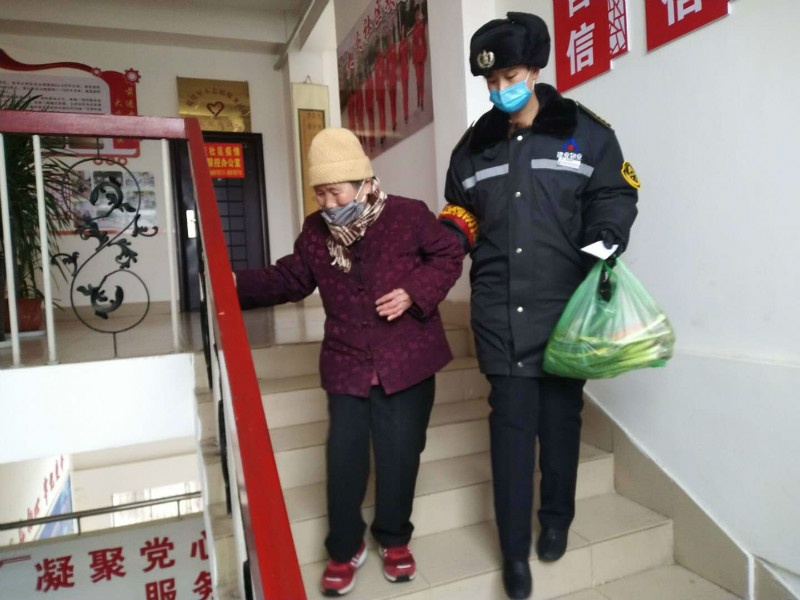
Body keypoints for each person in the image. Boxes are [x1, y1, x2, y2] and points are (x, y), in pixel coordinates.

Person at [438, 12, 639, 600]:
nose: (501, 90)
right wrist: (443, 242)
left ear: (535, 69)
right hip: (499, 313)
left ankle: (556, 520)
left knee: (560, 423)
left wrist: (606, 235)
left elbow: (614, 192)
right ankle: (513, 552)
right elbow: (460, 212)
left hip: (567, 310)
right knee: (509, 431)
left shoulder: (585, 133)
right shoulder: (474, 147)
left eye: (511, 77)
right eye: (491, 82)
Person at [235, 127, 463, 597]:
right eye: (319, 192)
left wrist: (413, 292)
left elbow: (447, 255)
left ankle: (394, 539)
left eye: (336, 191)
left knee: (400, 454)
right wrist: (231, 283)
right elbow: (291, 279)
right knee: (344, 458)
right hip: (348, 360)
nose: (328, 202)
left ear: (362, 182)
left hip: (406, 357)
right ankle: (344, 547)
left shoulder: (407, 215)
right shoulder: (316, 232)